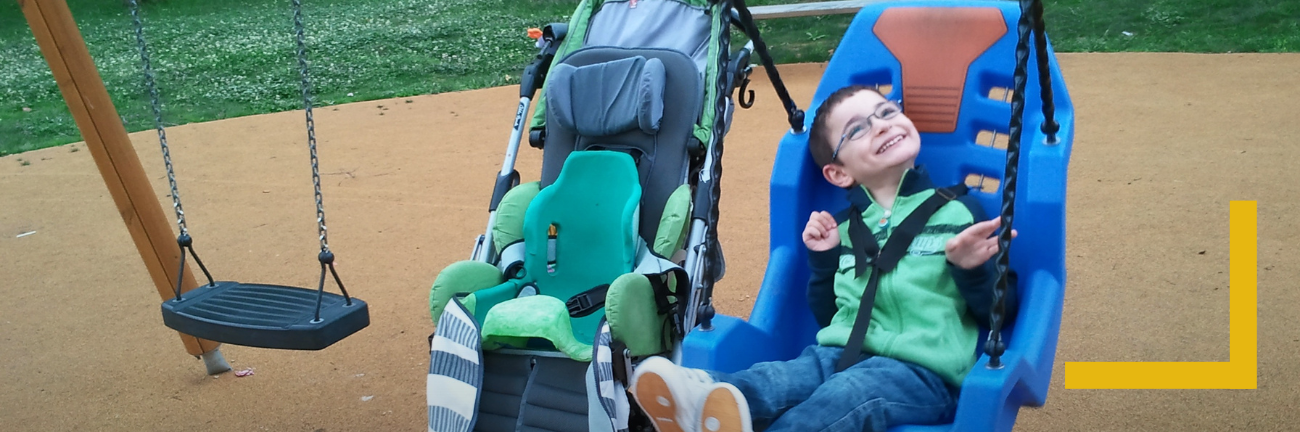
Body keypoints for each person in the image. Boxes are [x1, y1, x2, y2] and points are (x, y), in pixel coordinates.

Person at [627, 84, 1019, 432]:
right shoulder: (845, 229)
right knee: (778, 379)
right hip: (837, 354)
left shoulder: (958, 213)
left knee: (847, 394)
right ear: (838, 174)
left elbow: (1001, 313)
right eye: (858, 129)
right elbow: (829, 315)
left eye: (887, 112)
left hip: (922, 373)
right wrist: (825, 260)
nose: (882, 125)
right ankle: (699, 401)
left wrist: (971, 269)